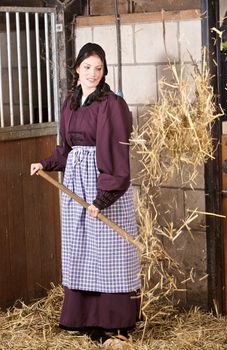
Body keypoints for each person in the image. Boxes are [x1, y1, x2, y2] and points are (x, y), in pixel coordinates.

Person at [30, 42, 141, 344]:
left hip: (103, 185)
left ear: (104, 72)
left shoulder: (112, 104)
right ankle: (84, 318)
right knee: (81, 249)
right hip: (75, 187)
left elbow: (119, 156)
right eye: (88, 67)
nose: (93, 73)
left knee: (107, 250)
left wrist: (103, 198)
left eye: (99, 68)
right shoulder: (71, 102)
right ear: (77, 68)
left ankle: (113, 322)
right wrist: (46, 163)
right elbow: (66, 150)